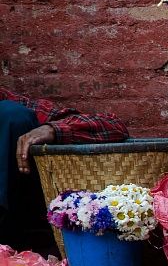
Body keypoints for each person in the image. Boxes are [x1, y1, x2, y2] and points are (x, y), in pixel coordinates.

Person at [0, 87, 129, 251]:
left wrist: (52, 130)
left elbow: (113, 126)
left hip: (17, 233)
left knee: (13, 116)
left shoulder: (12, 108)